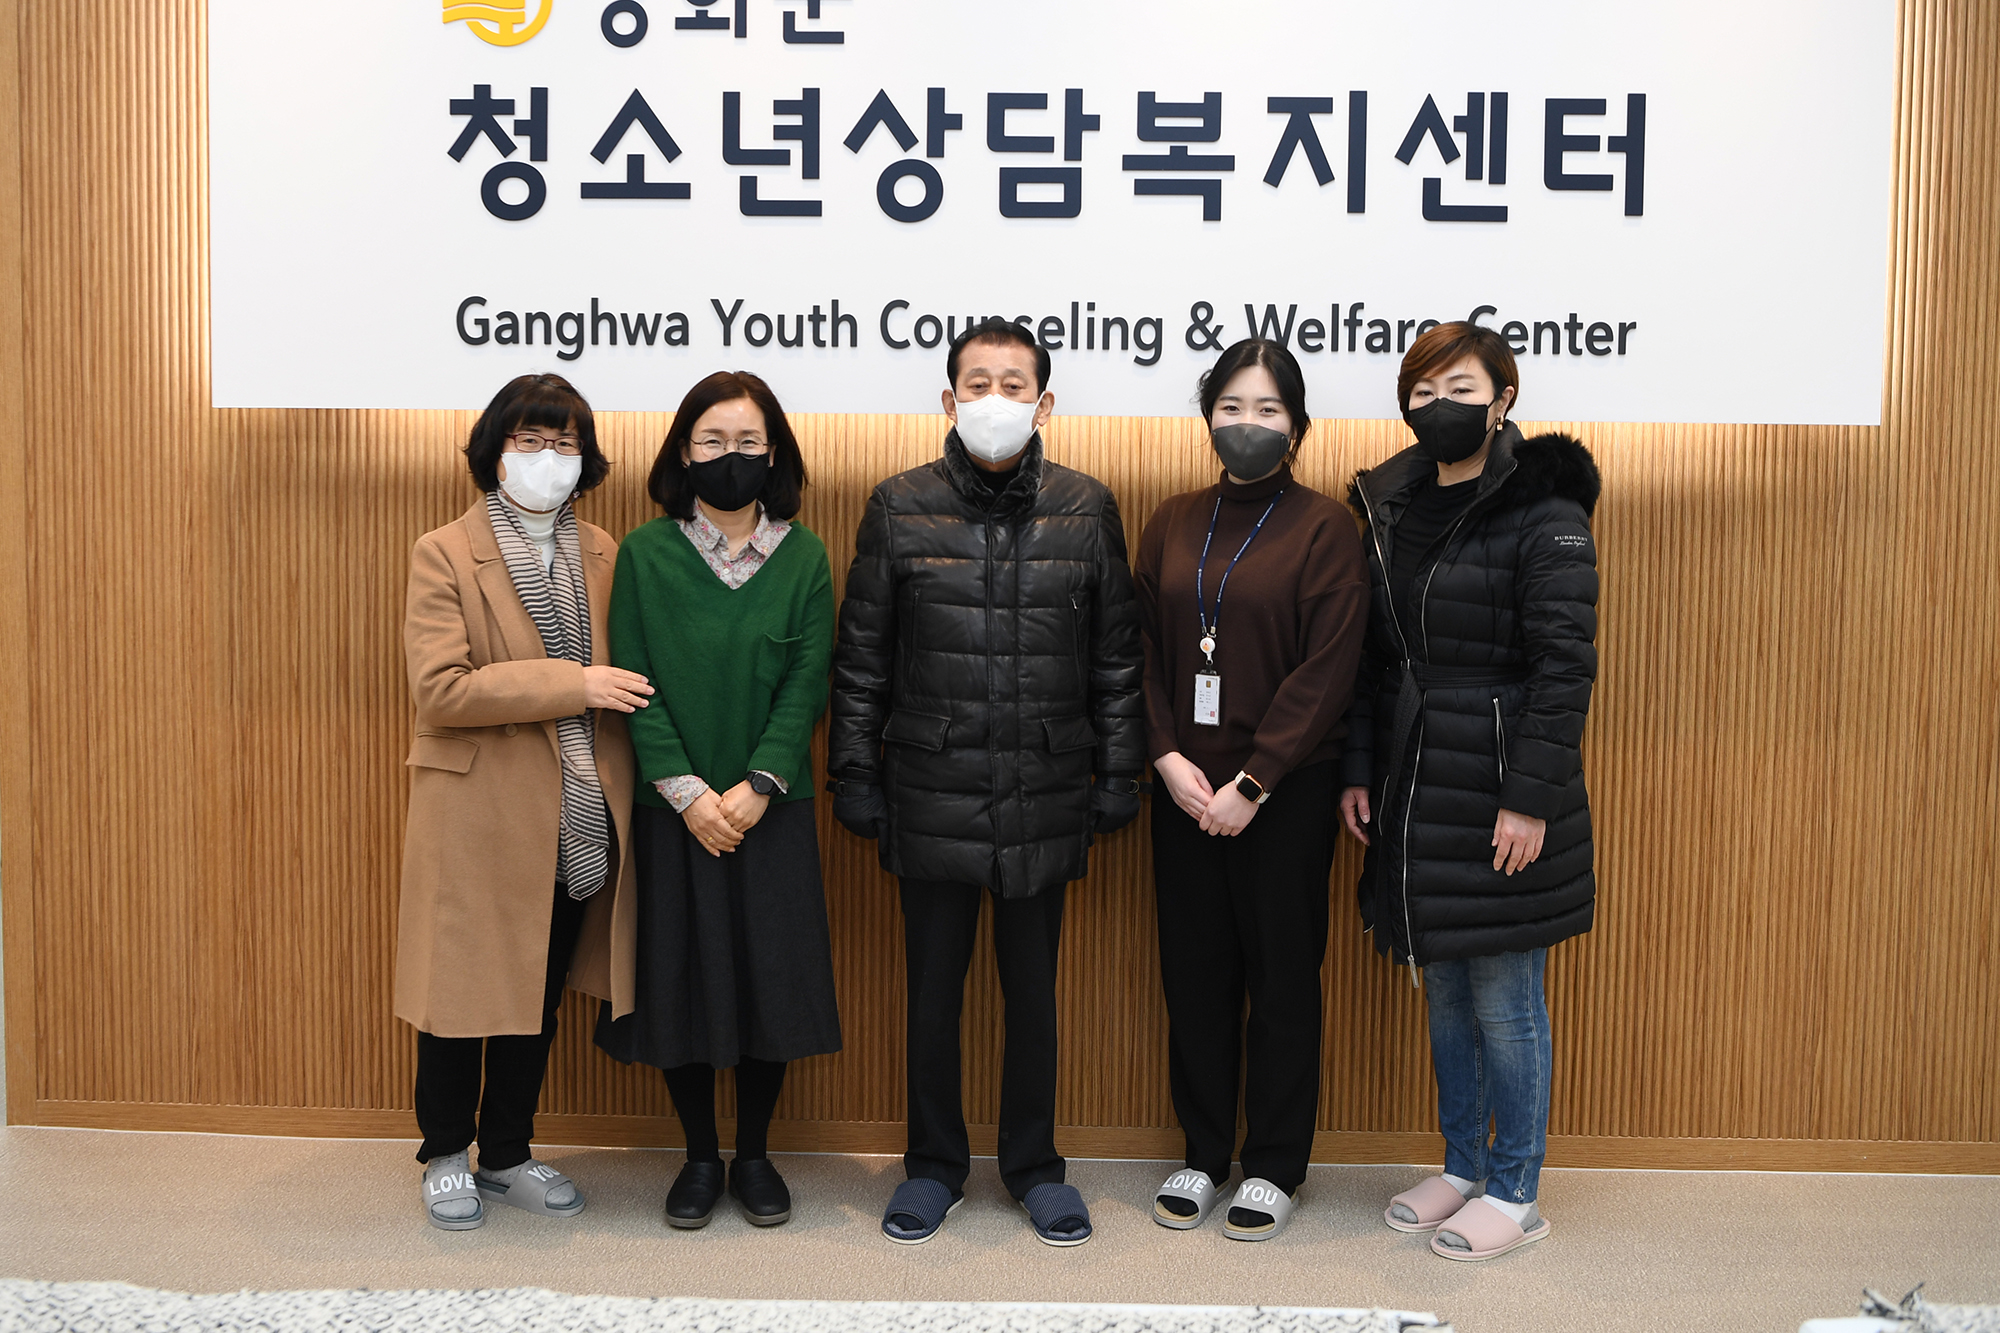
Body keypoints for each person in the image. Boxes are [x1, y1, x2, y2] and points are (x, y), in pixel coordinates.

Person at [828, 317, 1144, 1248]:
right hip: (931, 785)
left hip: (1047, 784)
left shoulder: (1087, 506)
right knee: (934, 997)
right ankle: (932, 1166)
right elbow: (862, 658)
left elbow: (1117, 658)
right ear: (949, 398)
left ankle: (1036, 1168)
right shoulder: (898, 504)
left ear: (1044, 403)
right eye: (978, 383)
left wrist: (1119, 773)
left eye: (1014, 385)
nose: (995, 400)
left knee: (1033, 997)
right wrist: (855, 773)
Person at [1338, 321, 1600, 1262]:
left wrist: (1529, 797)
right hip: (1415, 778)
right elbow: (1376, 659)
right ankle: (1461, 1164)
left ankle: (1517, 1188)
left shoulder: (1545, 510)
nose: (1439, 405)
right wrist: (1360, 766)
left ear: (1503, 400)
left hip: (1498, 785)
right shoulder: (1391, 504)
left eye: (1461, 388)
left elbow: (1565, 670)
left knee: (1505, 996)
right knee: (1443, 985)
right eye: (1423, 390)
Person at [396, 372, 650, 1231]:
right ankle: (443, 1151)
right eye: (531, 440)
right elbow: (442, 688)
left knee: (534, 993)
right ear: (494, 451)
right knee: (458, 990)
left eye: (566, 442)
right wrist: (574, 682)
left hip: (575, 810)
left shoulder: (606, 551)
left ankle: (505, 1151)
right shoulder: (443, 550)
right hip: (479, 810)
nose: (549, 457)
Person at [1133, 339, 1369, 1241]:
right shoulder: (1172, 519)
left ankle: (1273, 1164)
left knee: (1281, 979)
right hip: (1184, 791)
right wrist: (1165, 756)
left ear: (1297, 426)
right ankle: (1202, 1151)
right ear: (1208, 418)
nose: (1248, 424)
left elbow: (1329, 668)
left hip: (1284, 794)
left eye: (1268, 410)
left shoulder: (1324, 528)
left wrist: (1254, 778)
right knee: (1193, 977)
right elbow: (1139, 650)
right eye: (1232, 406)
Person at [594, 371, 841, 1231]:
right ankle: (700, 1155)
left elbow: (809, 680)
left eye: (746, 442)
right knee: (681, 980)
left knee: (770, 978)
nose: (728, 456)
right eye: (711, 440)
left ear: (773, 454)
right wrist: (691, 794)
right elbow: (632, 680)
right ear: (683, 451)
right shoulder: (645, 553)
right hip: (676, 813)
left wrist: (759, 783)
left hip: (771, 808)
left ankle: (755, 1154)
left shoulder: (805, 556)